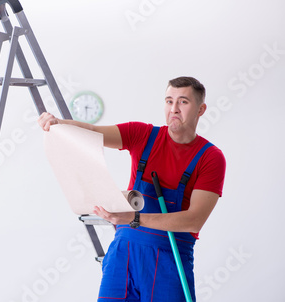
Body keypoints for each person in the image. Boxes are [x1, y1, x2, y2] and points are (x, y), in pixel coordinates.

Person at [38, 76, 226, 301]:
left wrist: (134, 217)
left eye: (183, 102)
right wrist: (58, 123)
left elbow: (194, 220)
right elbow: (91, 131)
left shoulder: (210, 158)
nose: (174, 109)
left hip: (170, 260)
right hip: (123, 255)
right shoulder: (143, 135)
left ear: (201, 109)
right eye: (169, 101)